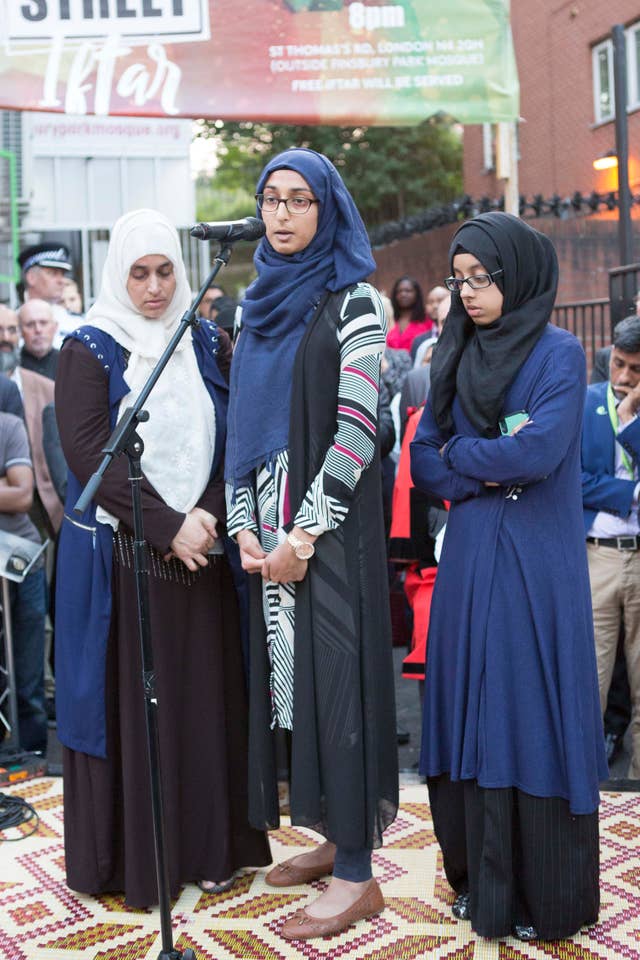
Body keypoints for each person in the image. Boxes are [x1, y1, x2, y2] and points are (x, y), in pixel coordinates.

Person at [54, 208, 270, 908]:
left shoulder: (204, 337)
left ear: (182, 270)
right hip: (127, 564)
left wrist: (204, 514)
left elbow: (234, 430)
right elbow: (90, 452)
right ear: (119, 274)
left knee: (204, 704)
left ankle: (210, 848)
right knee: (137, 708)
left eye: (165, 271)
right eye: (139, 273)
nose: (153, 287)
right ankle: (138, 860)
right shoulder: (89, 346)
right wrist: (166, 527)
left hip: (201, 559)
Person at [410, 212, 607, 941]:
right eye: (458, 279)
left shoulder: (559, 353)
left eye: (481, 278)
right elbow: (423, 463)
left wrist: (467, 456)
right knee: (469, 704)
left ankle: (544, 894)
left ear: (516, 275)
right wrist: (481, 453)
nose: (467, 292)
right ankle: (478, 884)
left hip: (535, 561)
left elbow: (540, 453)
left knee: (528, 708)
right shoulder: (451, 352)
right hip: (470, 560)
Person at [225, 148, 398, 941]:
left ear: (327, 211)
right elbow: (240, 431)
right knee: (294, 696)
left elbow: (358, 431)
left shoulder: (358, 304)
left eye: (300, 200)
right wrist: (242, 527)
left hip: (328, 537)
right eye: (271, 199)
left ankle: (359, 873)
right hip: (268, 541)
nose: (284, 213)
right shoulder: (252, 305)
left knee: (342, 692)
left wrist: (302, 534)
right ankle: (333, 840)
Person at [582, 314, 640, 780]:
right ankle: (585, 785)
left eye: (635, 370)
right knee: (591, 679)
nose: (623, 378)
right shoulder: (585, 405)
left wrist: (630, 423)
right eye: (618, 365)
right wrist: (631, 494)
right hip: (596, 554)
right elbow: (574, 483)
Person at [0, 411, 48, 755]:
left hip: (22, 559)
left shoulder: (8, 426)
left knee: (29, 672)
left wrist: (11, 487)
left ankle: (34, 755)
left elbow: (22, 496)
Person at [17, 242, 75, 339]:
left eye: (62, 274)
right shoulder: (10, 324)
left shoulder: (76, 323)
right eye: (53, 273)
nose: (62, 281)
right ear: (31, 278)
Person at [386, 276, 433, 352]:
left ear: (417, 294)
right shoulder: (390, 318)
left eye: (408, 291)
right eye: (399, 291)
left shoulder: (427, 319)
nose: (403, 294)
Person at [18, 300, 60, 381]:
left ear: (55, 327)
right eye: (30, 324)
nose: (38, 330)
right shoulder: (10, 367)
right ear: (20, 330)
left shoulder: (70, 363)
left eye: (43, 323)